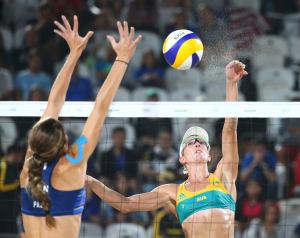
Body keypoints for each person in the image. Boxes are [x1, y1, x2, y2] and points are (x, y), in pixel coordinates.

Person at [86, 60, 247, 238]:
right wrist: (92, 182)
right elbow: (125, 205)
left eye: (202, 142)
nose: (197, 143)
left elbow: (230, 127)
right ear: (182, 158)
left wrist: (231, 83)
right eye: (191, 142)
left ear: (210, 156)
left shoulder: (224, 175)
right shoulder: (173, 192)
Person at [19, 15, 141, 238]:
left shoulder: (29, 167)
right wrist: (122, 58)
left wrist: (74, 52)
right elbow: (99, 108)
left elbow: (54, 105)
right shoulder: (72, 163)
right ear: (63, 143)